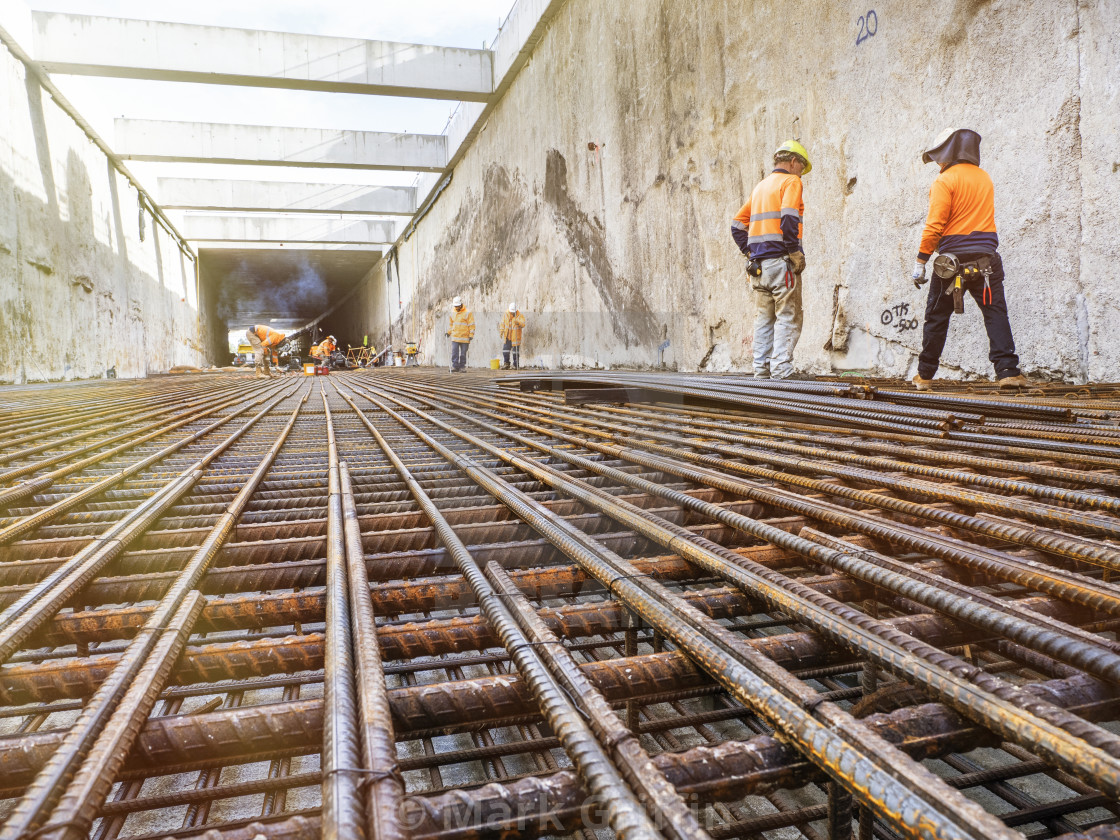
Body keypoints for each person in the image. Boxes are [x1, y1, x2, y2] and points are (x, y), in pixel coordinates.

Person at [910, 128, 1028, 390]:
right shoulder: (984, 178)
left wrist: (921, 261)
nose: (939, 163)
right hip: (986, 262)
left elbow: (934, 225)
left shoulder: (945, 181)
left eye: (940, 157)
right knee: (995, 312)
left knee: (937, 317)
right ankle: (1008, 371)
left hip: (951, 263)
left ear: (949, 154)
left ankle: (925, 376)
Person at [731, 140, 810, 379]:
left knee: (764, 318)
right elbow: (788, 217)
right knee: (788, 315)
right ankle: (782, 370)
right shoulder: (791, 181)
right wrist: (794, 250)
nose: (801, 175)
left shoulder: (761, 187)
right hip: (781, 263)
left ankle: (761, 369)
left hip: (758, 267)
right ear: (794, 162)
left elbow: (736, 225)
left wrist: (750, 252)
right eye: (801, 168)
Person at [446, 296, 475, 371]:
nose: (456, 307)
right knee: (454, 353)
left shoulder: (468, 313)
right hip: (455, 336)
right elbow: (451, 324)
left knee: (463, 354)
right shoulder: (452, 312)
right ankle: (455, 366)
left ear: (461, 304)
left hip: (464, 337)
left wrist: (471, 335)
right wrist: (448, 332)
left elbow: (471, 324)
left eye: (457, 306)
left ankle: (462, 367)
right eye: (455, 306)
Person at [498, 303, 527, 369]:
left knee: (515, 352)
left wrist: (518, 322)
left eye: (513, 312)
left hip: (516, 337)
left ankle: (516, 365)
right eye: (511, 312)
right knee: (505, 350)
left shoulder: (520, 316)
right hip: (507, 336)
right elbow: (502, 323)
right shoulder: (506, 314)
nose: (512, 313)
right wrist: (501, 331)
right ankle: (506, 364)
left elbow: (523, 324)